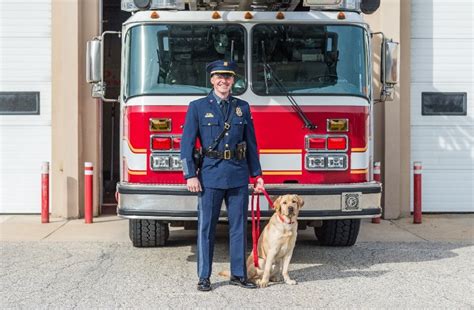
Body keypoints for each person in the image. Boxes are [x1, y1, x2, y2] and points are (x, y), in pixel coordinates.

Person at [180, 60, 265, 292]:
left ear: (233, 80)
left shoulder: (242, 107)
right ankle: (204, 276)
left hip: (237, 175)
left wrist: (256, 175)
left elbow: (251, 144)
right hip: (210, 175)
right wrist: (190, 175)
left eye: (227, 77)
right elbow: (186, 145)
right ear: (211, 80)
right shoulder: (197, 107)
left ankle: (238, 274)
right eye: (219, 76)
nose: (223, 81)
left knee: (238, 228)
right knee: (206, 228)